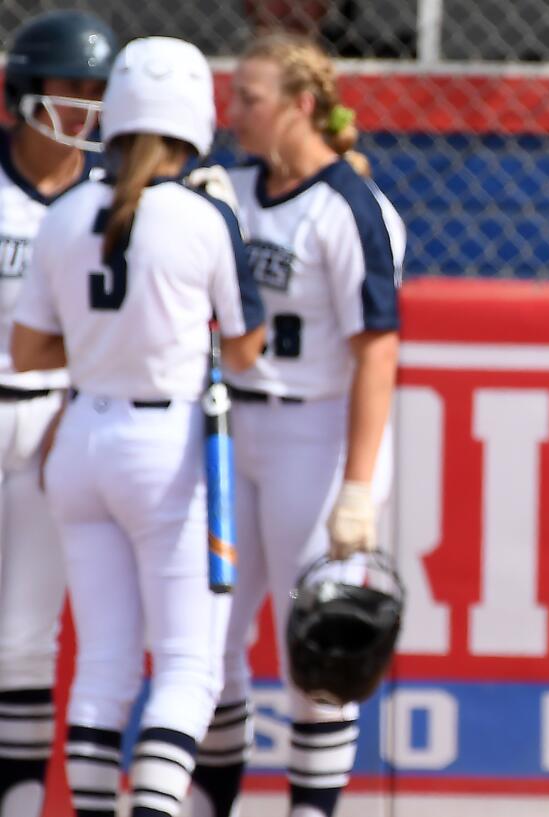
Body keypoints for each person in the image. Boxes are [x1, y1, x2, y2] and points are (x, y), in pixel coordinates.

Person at [10, 36, 265, 817]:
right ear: (196, 120)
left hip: (79, 435)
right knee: (190, 664)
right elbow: (249, 350)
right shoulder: (203, 214)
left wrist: (102, 339)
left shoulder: (64, 211)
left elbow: (26, 348)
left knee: (104, 665)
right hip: (166, 447)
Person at [190, 33, 404, 817]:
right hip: (225, 429)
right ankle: (210, 800)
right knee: (206, 639)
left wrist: (357, 485)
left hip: (314, 433)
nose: (232, 113)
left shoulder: (347, 203)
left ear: (301, 106)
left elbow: (378, 350)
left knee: (318, 647)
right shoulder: (228, 185)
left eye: (250, 98)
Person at [0, 11, 114, 815]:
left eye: (99, 91)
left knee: (23, 641)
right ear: (25, 91)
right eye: (72, 87)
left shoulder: (110, 198)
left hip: (53, 418)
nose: (87, 107)